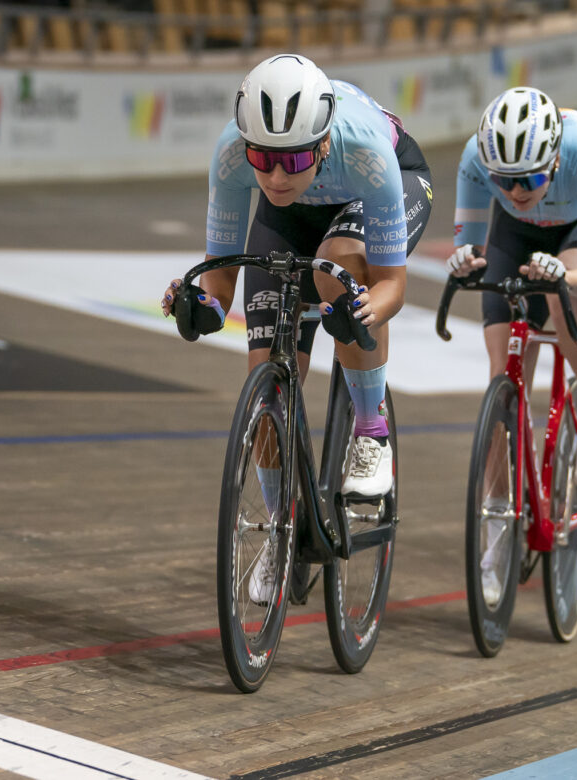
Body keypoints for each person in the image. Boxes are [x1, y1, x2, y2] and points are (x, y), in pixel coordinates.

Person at [160, 54, 432, 600]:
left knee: (339, 267)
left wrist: (361, 311)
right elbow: (221, 289)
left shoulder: (365, 152)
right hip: (289, 220)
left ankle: (371, 430)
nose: (277, 175)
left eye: (295, 158)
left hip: (383, 187)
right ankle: (282, 533)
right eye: (263, 157)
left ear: (324, 144)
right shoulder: (233, 157)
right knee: (264, 385)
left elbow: (392, 288)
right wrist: (198, 307)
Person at [447, 87, 577, 489]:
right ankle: (498, 523)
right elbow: (469, 246)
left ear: (554, 159)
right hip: (519, 231)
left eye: (530, 178)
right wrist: (464, 260)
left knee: (566, 290)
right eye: (503, 180)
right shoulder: (475, 158)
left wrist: (563, 276)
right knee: (501, 378)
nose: (517, 191)